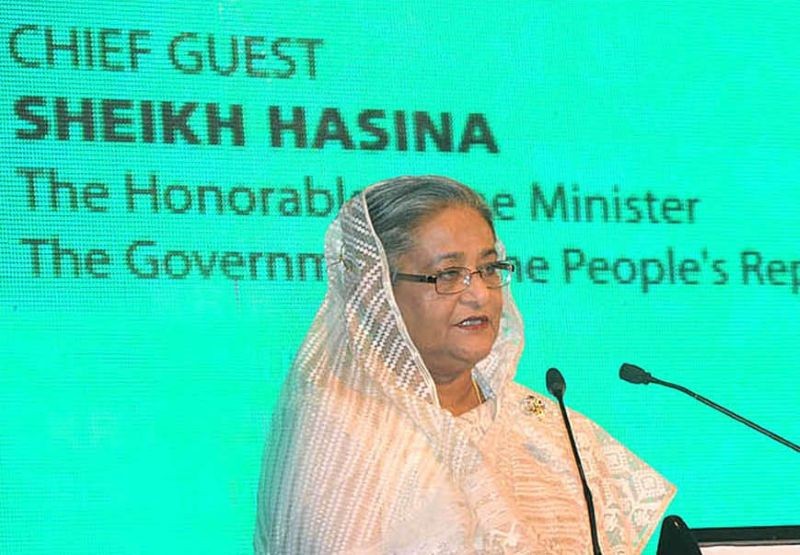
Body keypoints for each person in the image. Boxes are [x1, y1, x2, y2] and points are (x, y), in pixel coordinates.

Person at [254, 176, 675, 554]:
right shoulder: (340, 435)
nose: (480, 294)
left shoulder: (547, 427)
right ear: (376, 293)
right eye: (448, 274)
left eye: (488, 269)